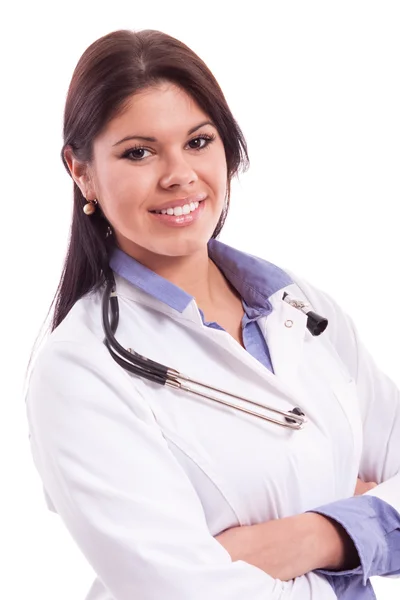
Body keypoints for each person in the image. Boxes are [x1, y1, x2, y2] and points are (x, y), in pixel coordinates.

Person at [25, 29, 400, 600]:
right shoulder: (78, 371)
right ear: (81, 171)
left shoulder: (302, 310)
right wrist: (364, 522)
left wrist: (311, 538)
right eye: (138, 152)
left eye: (198, 142)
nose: (179, 174)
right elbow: (183, 592)